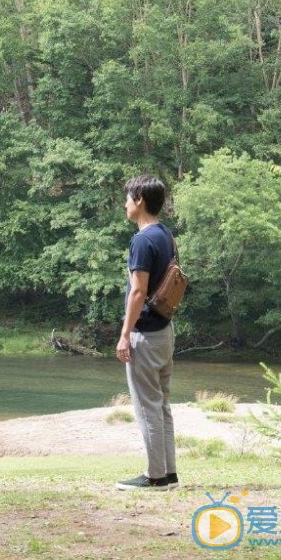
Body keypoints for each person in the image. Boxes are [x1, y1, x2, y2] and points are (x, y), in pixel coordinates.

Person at [115, 174, 178, 491]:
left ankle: (155, 477)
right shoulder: (165, 234)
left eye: (128, 198)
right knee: (162, 404)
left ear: (140, 200)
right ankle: (169, 473)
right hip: (165, 331)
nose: (125, 204)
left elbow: (138, 292)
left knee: (147, 406)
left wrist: (125, 334)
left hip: (146, 335)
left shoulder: (142, 240)